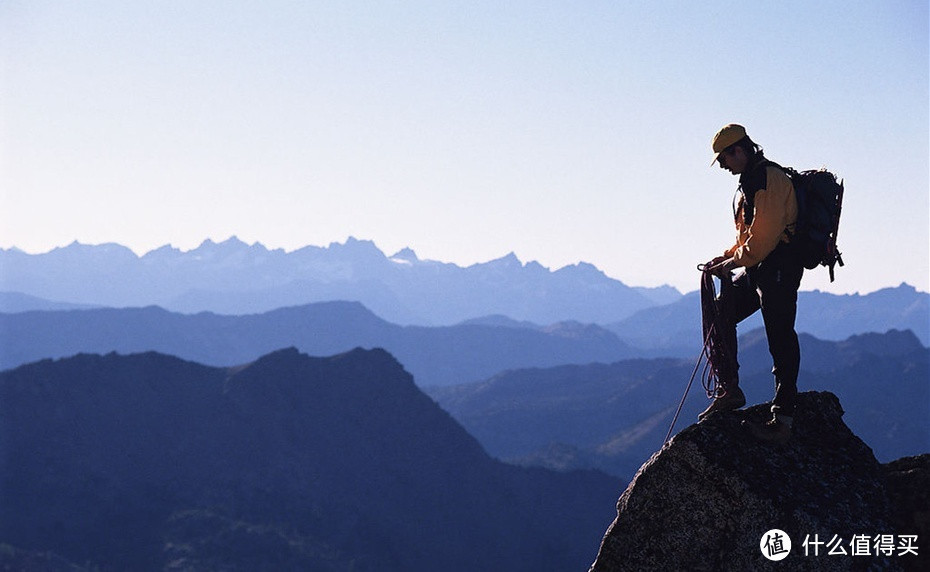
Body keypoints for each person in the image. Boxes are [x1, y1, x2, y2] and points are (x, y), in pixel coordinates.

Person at [699, 124, 803, 442]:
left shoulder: (769, 179)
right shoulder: (750, 180)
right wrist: (726, 258)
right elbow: (749, 238)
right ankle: (730, 390)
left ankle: (783, 419)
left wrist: (732, 262)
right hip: (762, 269)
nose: (725, 167)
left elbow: (761, 242)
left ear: (739, 151)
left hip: (779, 269)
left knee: (780, 337)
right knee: (721, 313)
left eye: (725, 160)